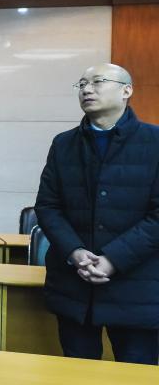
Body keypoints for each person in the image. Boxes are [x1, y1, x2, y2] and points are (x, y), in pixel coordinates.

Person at [34, 63, 159, 365]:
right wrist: (74, 252)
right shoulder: (64, 144)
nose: (87, 89)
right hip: (74, 285)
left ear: (127, 91)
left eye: (98, 82)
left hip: (137, 287)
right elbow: (48, 206)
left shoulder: (154, 142)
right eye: (82, 84)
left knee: (135, 380)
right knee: (77, 377)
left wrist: (113, 259)